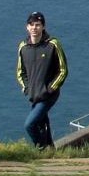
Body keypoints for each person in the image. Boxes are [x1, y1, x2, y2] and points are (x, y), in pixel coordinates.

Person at [16, 12, 68, 150]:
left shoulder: (52, 44)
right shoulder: (23, 47)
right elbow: (21, 72)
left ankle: (41, 149)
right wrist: (26, 88)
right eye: (31, 25)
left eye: (38, 25)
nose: (34, 28)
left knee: (30, 124)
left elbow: (63, 70)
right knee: (41, 123)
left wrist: (50, 88)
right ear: (27, 27)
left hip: (48, 95)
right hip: (34, 95)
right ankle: (50, 149)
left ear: (43, 27)